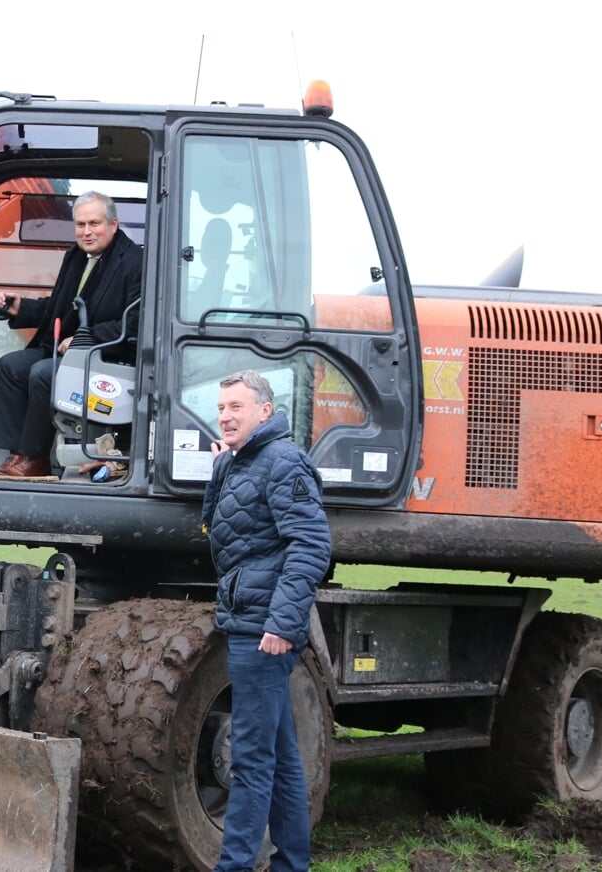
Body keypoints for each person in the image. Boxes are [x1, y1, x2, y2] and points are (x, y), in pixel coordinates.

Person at [202, 370, 331, 872]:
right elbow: (216, 528)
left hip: (262, 631)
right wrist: (221, 469)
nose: (227, 416)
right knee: (280, 761)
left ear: (264, 410)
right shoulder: (240, 462)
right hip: (249, 621)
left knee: (252, 761)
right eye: (221, 408)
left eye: (236, 406)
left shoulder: (283, 461)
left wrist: (281, 622)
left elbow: (311, 543)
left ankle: (233, 866)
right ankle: (291, 864)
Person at [0, 191, 143, 477]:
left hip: (105, 357)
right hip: (64, 350)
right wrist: (21, 307)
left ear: (114, 224)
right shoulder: (77, 257)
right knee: (10, 366)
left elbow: (136, 323)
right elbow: (58, 308)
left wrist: (87, 338)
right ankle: (16, 456)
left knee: (44, 373)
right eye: (80, 225)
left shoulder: (135, 263)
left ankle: (35, 459)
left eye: (94, 223)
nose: (86, 232)